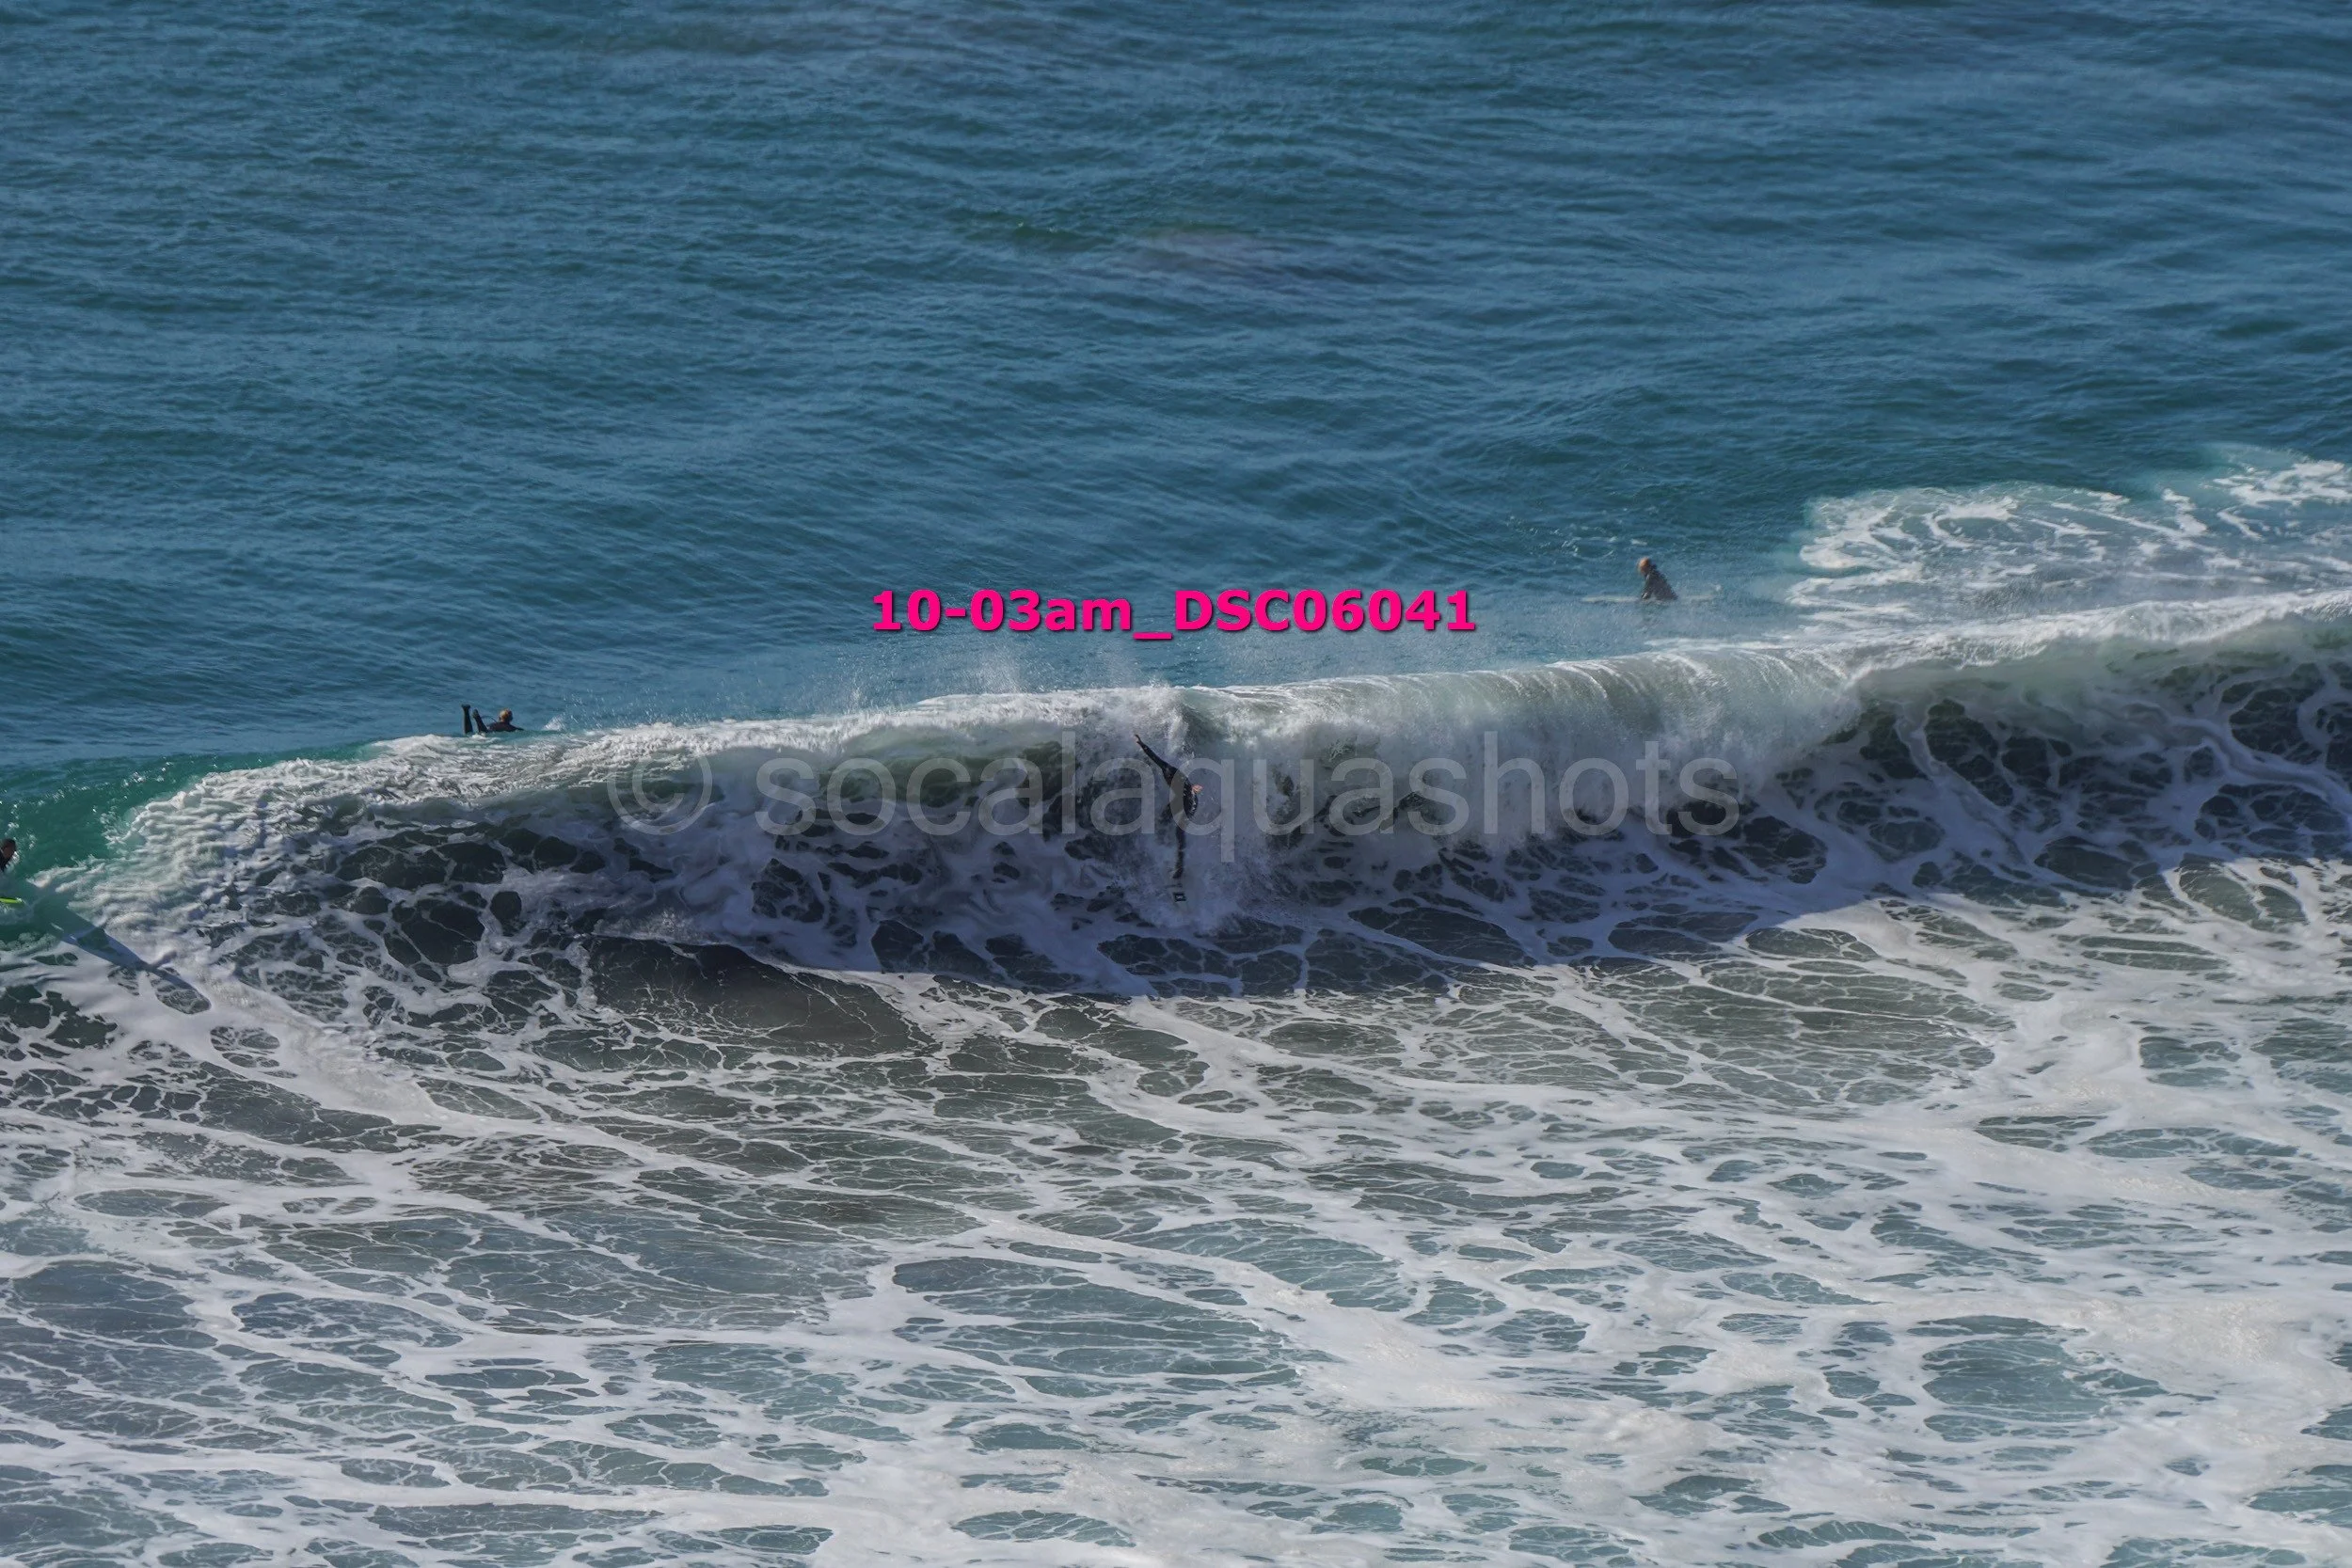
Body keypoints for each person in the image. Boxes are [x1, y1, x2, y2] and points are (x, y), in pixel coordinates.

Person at [1136, 735, 1201, 902]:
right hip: (1178, 801)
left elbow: (1191, 796)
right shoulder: (1168, 769)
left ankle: (1180, 867)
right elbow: (1155, 758)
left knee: (1180, 831)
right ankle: (1162, 845)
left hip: (1190, 803)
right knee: (1162, 820)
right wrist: (1142, 744)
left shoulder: (1181, 782)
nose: (1168, 781)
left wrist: (1192, 792)